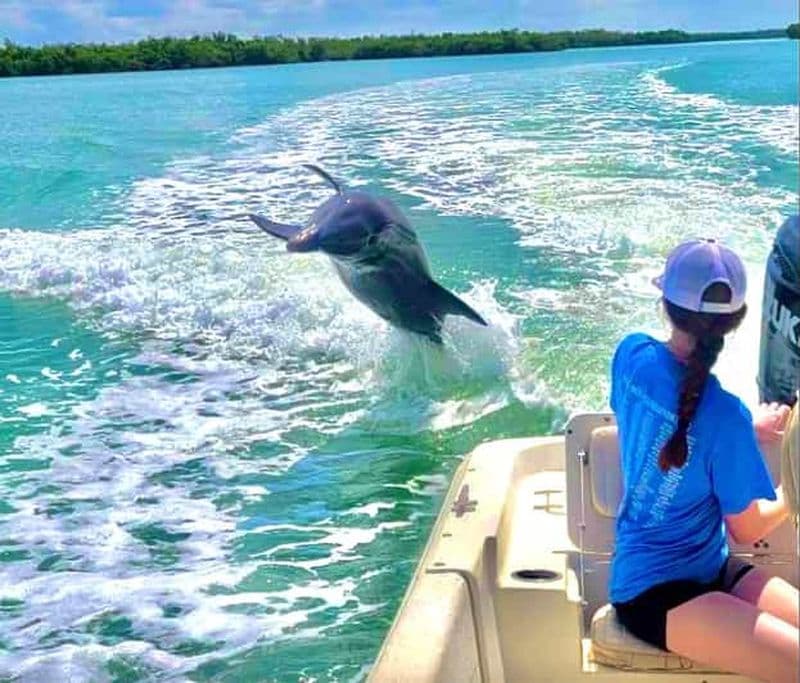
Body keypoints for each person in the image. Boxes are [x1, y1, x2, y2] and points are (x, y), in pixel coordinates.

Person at [608, 238, 799, 682]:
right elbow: (747, 530)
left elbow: (653, 421)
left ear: (665, 303)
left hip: (712, 569)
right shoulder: (724, 416)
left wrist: (737, 432)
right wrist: (794, 492)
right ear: (736, 322)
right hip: (653, 595)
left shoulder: (630, 356)